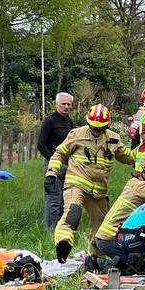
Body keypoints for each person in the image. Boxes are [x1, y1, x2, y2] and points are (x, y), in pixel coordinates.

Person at [44, 104, 135, 263]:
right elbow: (59, 154)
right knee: (72, 213)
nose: (96, 130)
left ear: (107, 125)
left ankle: (95, 259)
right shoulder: (76, 135)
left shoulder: (113, 138)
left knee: (102, 228)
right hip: (76, 185)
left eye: (100, 128)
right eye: (93, 127)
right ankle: (63, 243)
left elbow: (128, 157)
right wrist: (51, 173)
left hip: (98, 192)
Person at [89, 158, 145, 273]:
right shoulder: (140, 187)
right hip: (110, 238)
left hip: (107, 237)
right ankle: (96, 264)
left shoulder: (134, 184)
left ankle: (98, 264)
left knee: (132, 264)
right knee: (133, 268)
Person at [38, 92, 75, 227]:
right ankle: (50, 230)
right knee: (53, 198)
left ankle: (61, 227)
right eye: (63, 104)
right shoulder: (49, 121)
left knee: (65, 198)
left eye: (68, 104)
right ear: (56, 105)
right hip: (52, 165)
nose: (66, 107)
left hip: (68, 165)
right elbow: (41, 145)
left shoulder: (69, 121)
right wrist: (54, 161)